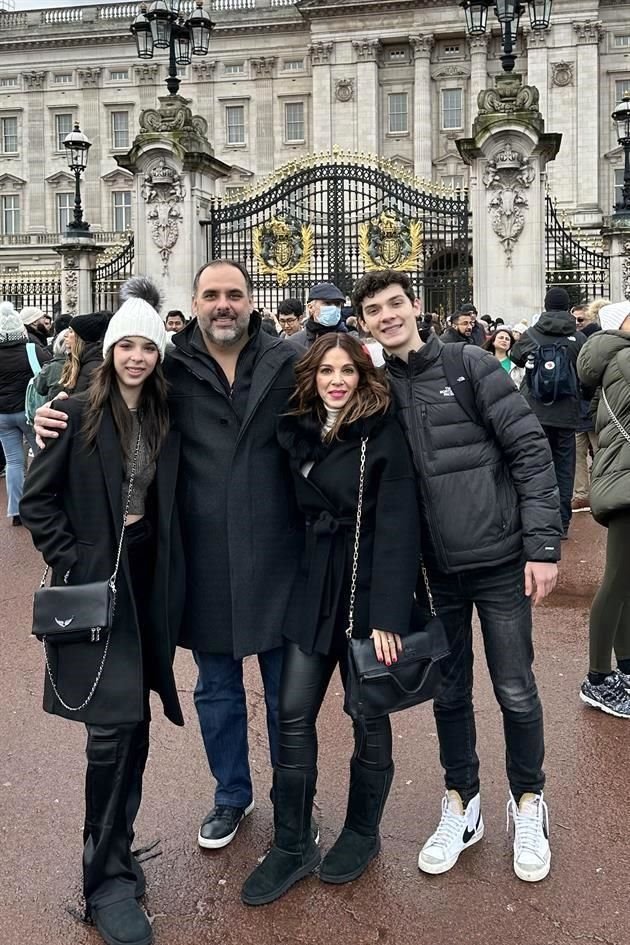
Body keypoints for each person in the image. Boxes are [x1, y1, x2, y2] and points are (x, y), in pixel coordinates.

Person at [35, 261, 303, 854]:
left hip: (280, 549)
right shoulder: (170, 365)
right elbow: (114, 410)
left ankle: (293, 794)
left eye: (234, 294)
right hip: (200, 551)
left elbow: (332, 413)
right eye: (211, 295)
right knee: (217, 688)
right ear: (197, 302)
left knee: (287, 690)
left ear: (251, 300)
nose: (223, 305)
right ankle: (232, 792)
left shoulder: (288, 360)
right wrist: (52, 417)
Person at [353, 269, 561, 884]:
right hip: (434, 574)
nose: (387, 316)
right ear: (364, 322)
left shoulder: (470, 364)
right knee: (449, 694)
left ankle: (527, 801)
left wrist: (543, 545)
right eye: (374, 310)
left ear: (414, 307)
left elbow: (529, 449)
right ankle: (461, 801)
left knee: (516, 689)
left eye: (395, 304)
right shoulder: (377, 389)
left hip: (498, 562)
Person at [20, 278, 184, 945]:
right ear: (111, 349)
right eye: (128, 345)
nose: (137, 356)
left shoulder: (168, 410)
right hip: (97, 579)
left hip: (147, 576)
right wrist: (75, 556)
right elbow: (38, 500)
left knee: (135, 721)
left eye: (149, 345)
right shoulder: (75, 407)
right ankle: (102, 882)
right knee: (110, 731)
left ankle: (117, 847)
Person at [241, 334, 420, 906]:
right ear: (311, 377)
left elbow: (398, 526)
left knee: (367, 711)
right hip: (312, 584)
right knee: (291, 711)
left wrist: (389, 615)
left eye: (346, 370)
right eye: (325, 371)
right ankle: (292, 842)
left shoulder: (381, 431)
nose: (336, 380)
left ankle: (362, 830)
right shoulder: (295, 430)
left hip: (366, 589)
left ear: (363, 376)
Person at [576, 300, 630, 717]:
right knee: (616, 581)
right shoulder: (626, 357)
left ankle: (624, 669)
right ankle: (597, 678)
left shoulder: (616, 359)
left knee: (624, 581)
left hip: (623, 476)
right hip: (627, 481)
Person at [511, 287, 586, 539]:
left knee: (535, 466)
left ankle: (537, 522)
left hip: (534, 412)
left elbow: (516, 357)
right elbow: (586, 375)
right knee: (565, 469)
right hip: (566, 413)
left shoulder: (532, 334)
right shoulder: (578, 338)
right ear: (568, 308)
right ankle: (562, 523)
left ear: (545, 305)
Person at [0, 302, 51, 525]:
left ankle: (16, 510)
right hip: (29, 411)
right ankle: (40, 504)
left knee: (13, 462)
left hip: (1, 414)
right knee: (40, 457)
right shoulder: (32, 349)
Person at [572, 301, 603, 512]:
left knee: (600, 452)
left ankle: (599, 493)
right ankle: (581, 494)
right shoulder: (573, 340)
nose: (577, 323)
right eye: (573, 319)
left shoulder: (596, 339)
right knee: (577, 453)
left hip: (594, 405)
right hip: (577, 407)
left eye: (580, 319)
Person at [286, 282, 348, 351]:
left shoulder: (351, 342)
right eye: (327, 303)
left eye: (337, 304)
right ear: (310, 307)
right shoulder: (294, 343)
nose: (333, 307)